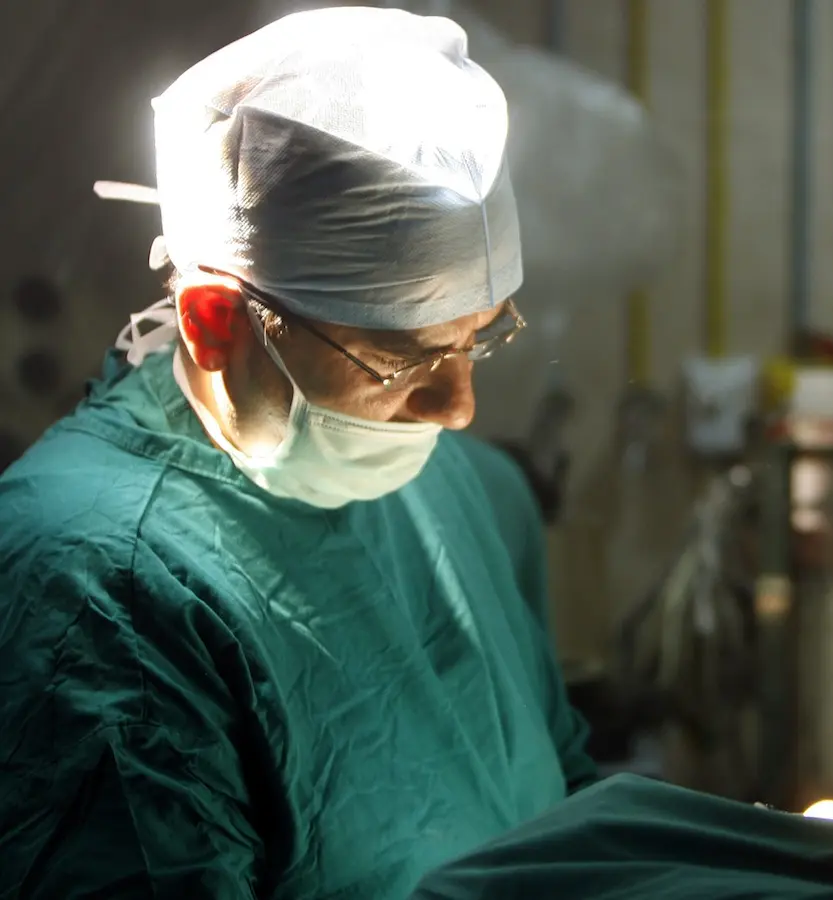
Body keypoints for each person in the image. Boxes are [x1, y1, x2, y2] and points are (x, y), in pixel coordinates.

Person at [0, 9, 594, 898]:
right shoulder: (92, 586)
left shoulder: (463, 489)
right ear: (212, 323)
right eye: (400, 362)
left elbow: (565, 807)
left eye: (477, 338)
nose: (458, 411)